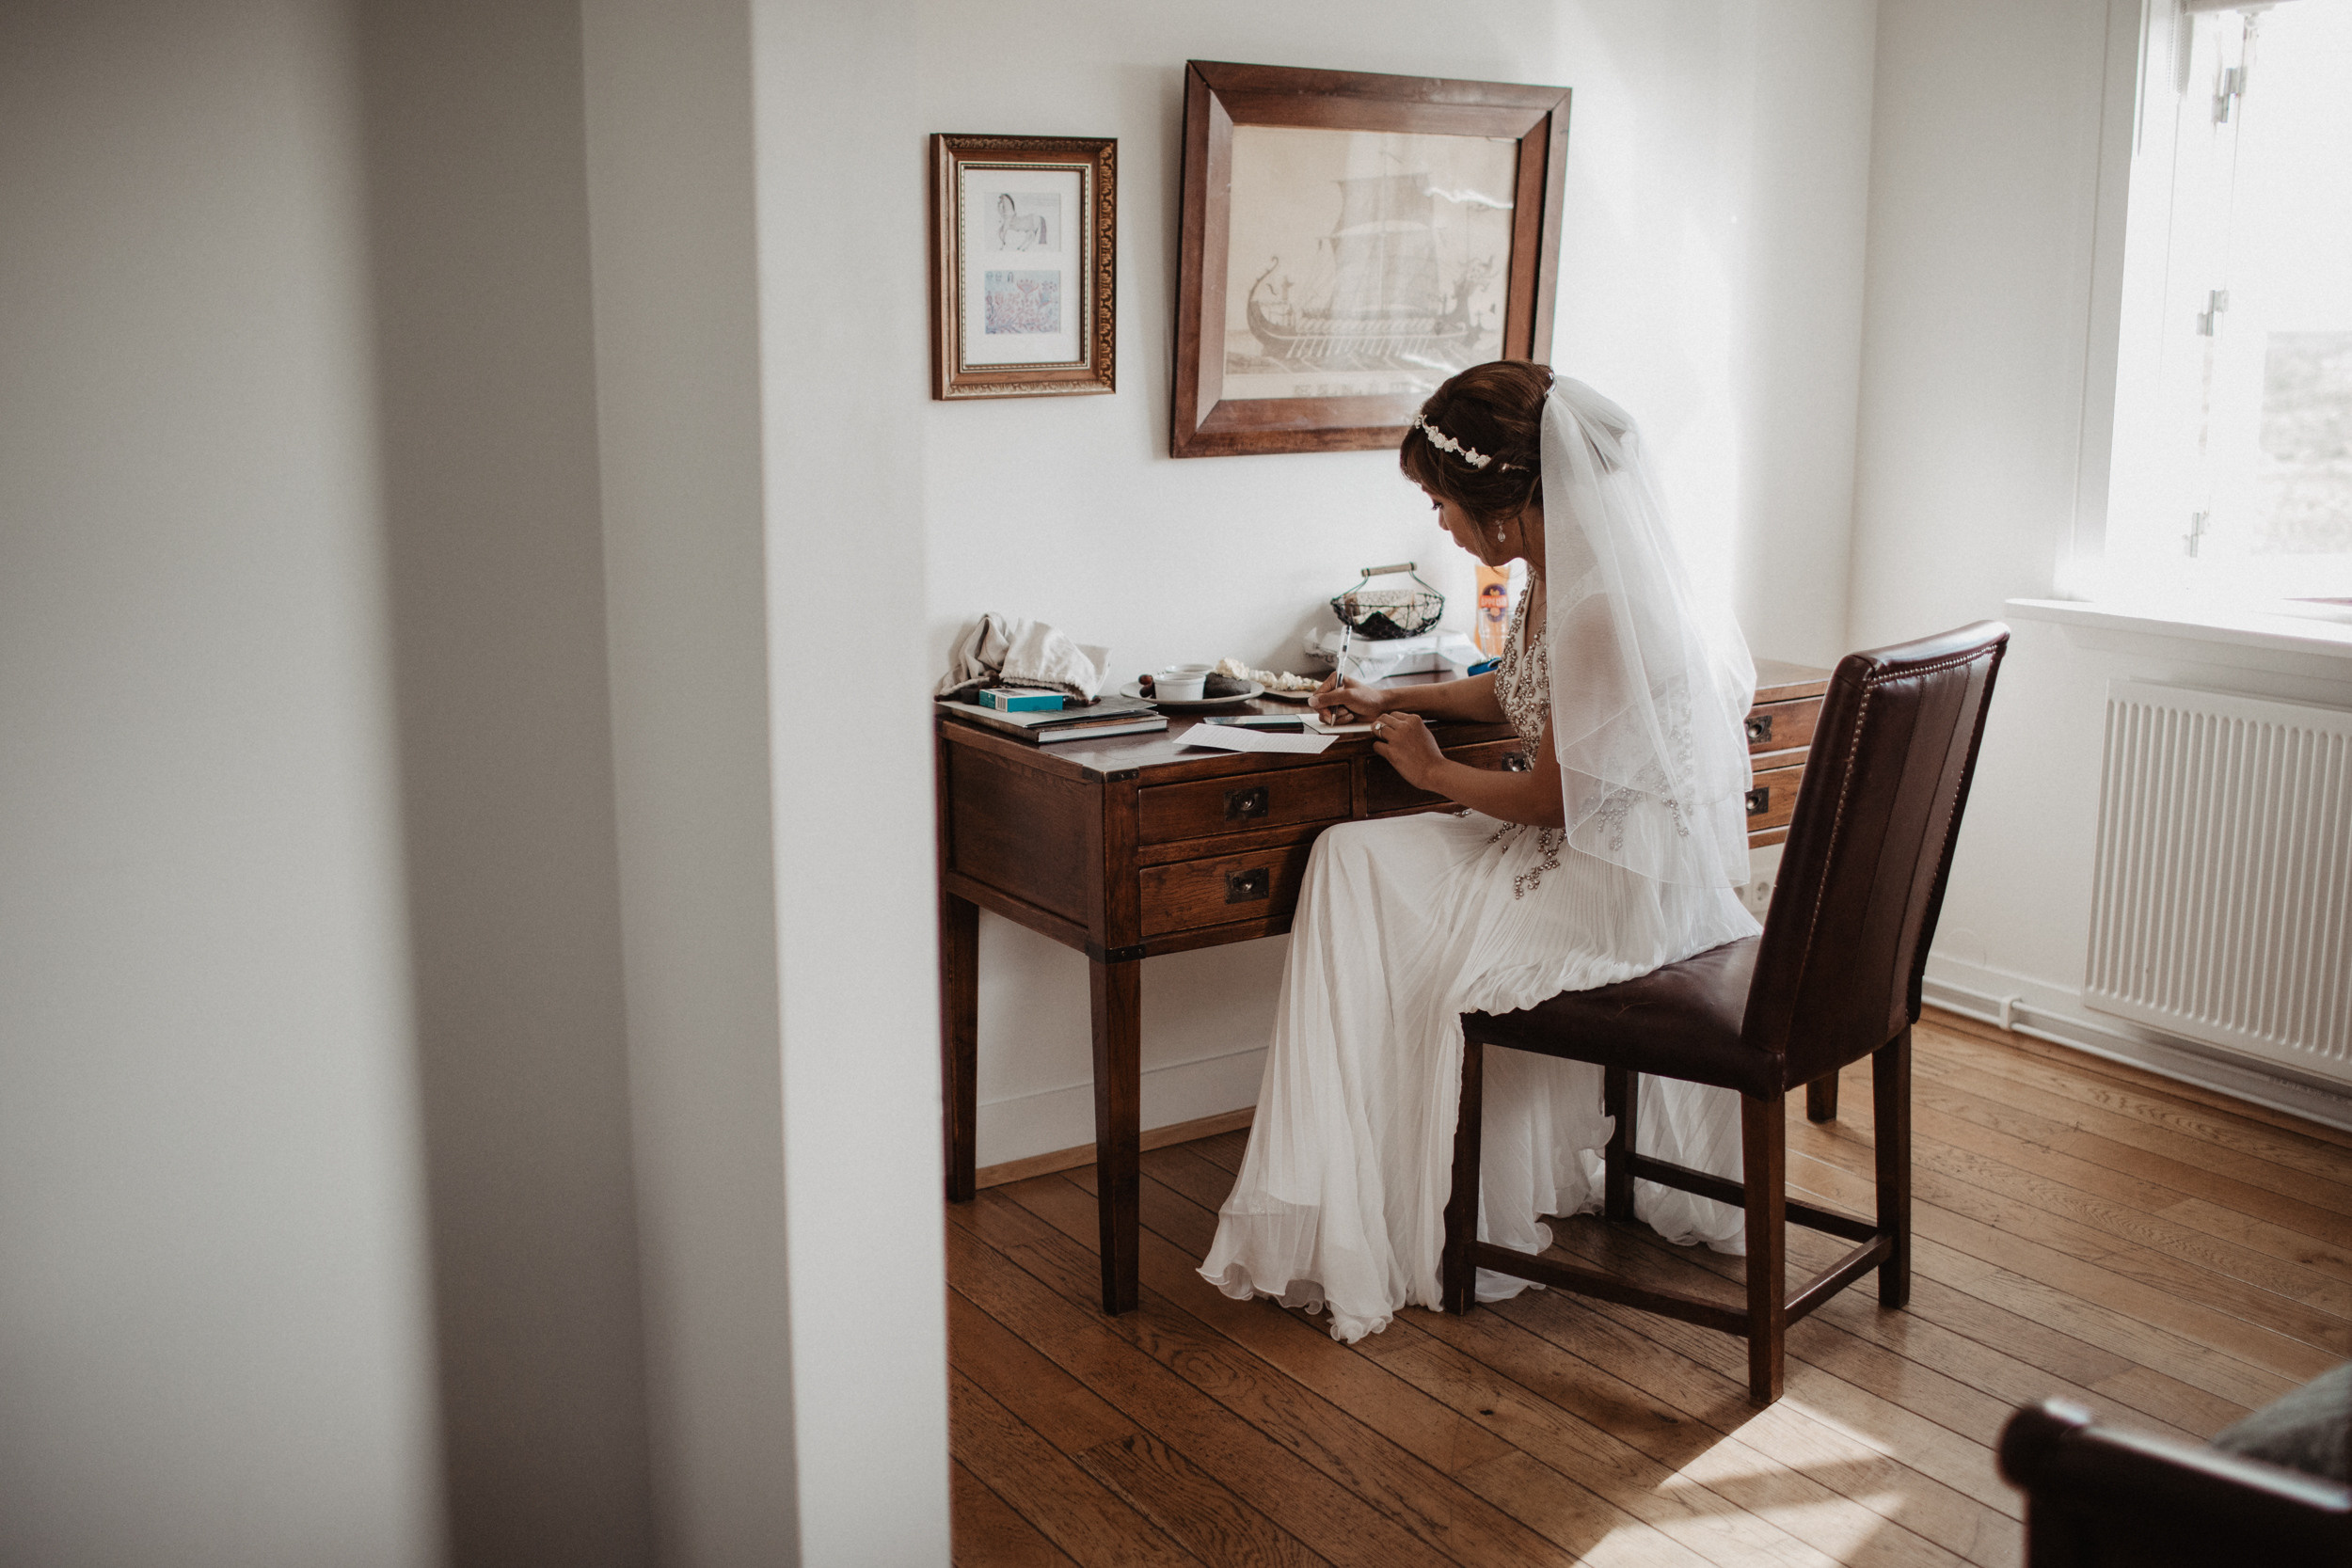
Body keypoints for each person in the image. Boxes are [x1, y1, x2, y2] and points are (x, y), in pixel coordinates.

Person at [1198, 363, 1762, 1342]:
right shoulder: (1562, 573)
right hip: (1597, 857)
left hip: (1615, 892)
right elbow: (1519, 691)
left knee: (1352, 870)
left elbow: (1550, 798)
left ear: (1503, 505)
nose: (1442, 524)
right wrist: (1395, 697)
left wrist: (1428, 774)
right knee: (1352, 865)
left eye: (1440, 501)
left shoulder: (1596, 607)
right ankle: (1353, 1183)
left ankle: (1380, 1200)